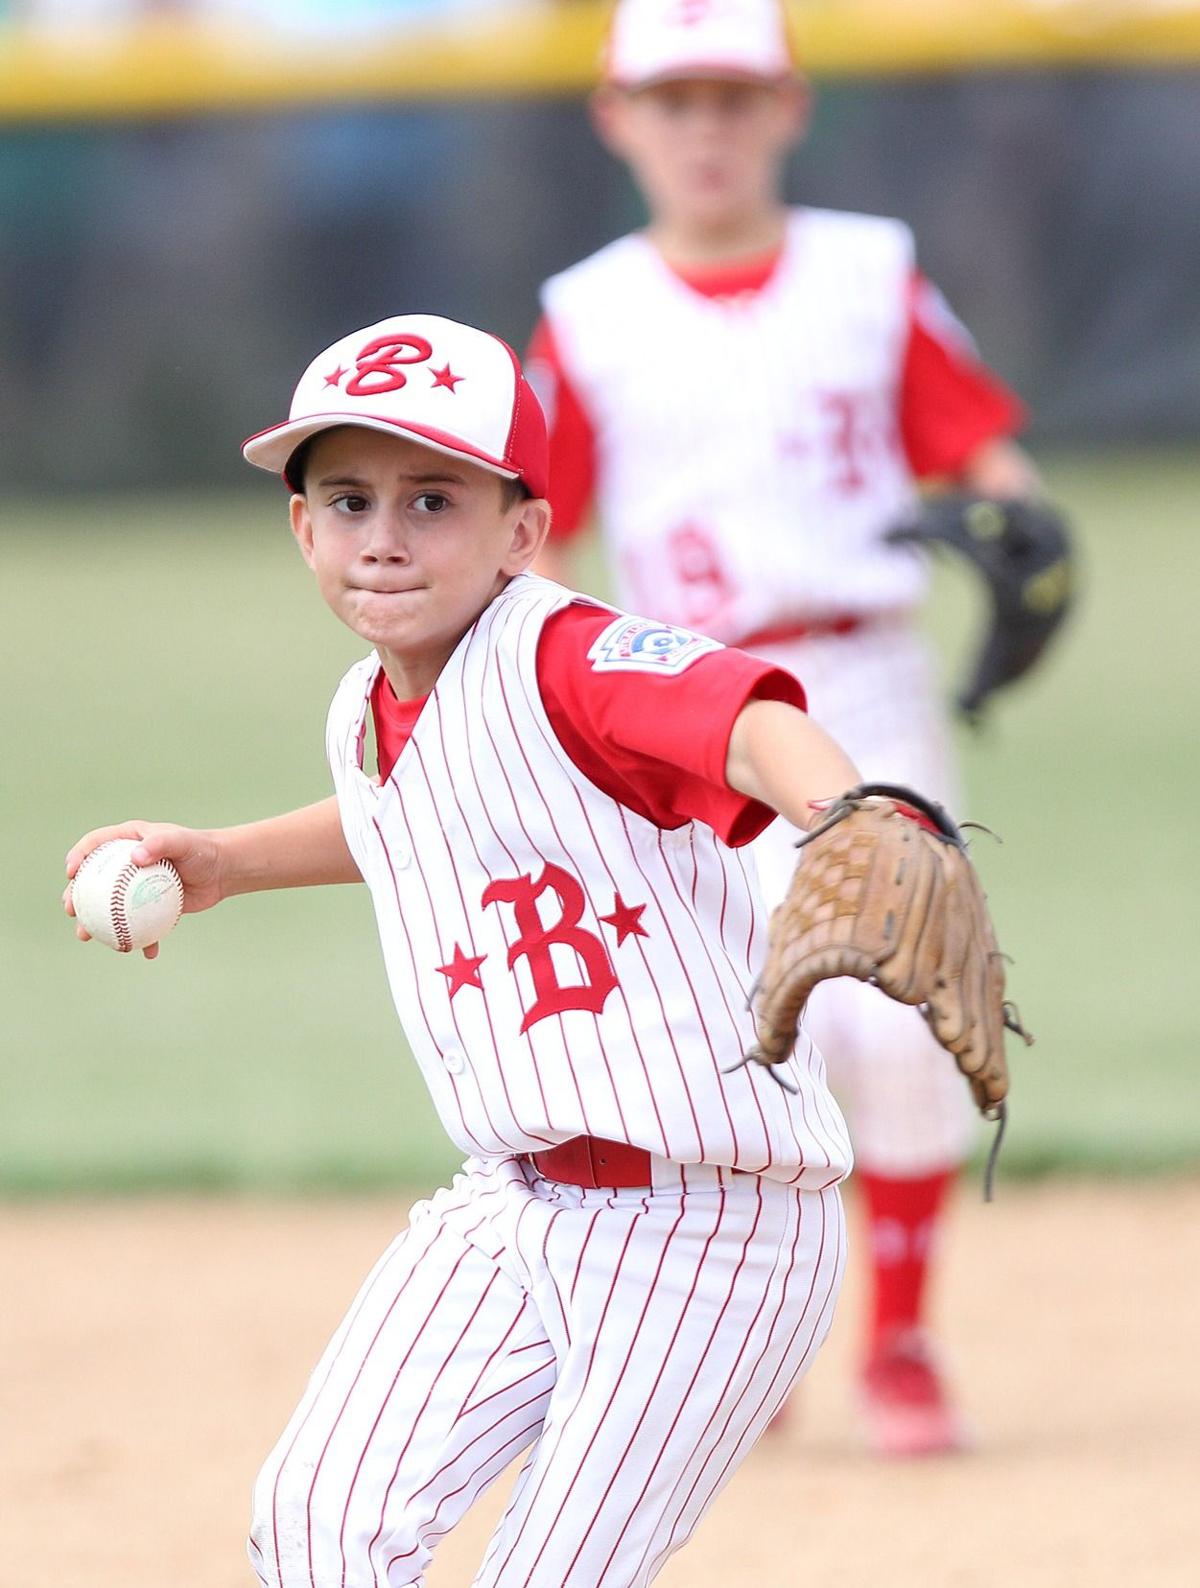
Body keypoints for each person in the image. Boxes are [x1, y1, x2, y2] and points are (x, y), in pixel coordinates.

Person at [64, 310, 975, 1586]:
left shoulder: (570, 654)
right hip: (512, 1204)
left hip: (712, 1234)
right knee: (318, 1521)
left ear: (523, 531)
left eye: (432, 500)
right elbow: (411, 809)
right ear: (301, 527)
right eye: (348, 498)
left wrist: (849, 814)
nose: (384, 536)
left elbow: (743, 718)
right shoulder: (370, 703)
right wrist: (227, 858)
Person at [527, 0, 1047, 1457]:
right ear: (616, 118)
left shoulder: (869, 275)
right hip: (686, 691)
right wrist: (580, 683)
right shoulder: (588, 312)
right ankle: (741, 1342)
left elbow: (982, 455)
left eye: (732, 96)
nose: (706, 127)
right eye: (673, 98)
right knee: (725, 1037)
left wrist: (1021, 522)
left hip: (865, 682)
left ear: (789, 107)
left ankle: (898, 1343)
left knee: (895, 1008)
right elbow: (536, 532)